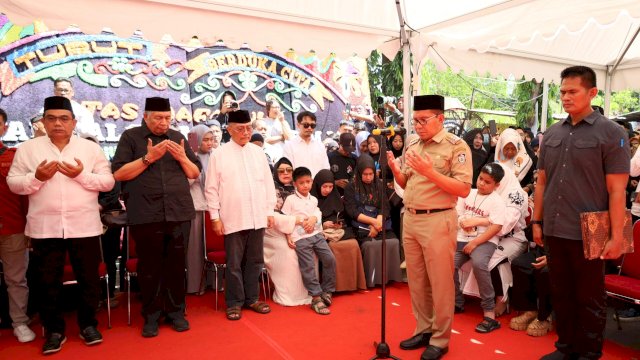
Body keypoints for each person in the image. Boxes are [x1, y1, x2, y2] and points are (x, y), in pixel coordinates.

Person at [533, 66, 630, 360]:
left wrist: (616, 236)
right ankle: (565, 347)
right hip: (554, 226)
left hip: (591, 230)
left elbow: (617, 190)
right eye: (562, 92)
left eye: (572, 91)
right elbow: (541, 182)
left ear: (591, 93)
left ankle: (588, 353)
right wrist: (537, 221)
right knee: (561, 292)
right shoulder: (551, 133)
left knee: (590, 297)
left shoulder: (611, 133)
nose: (565, 97)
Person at [8, 96, 115, 354]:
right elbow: (13, 183)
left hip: (84, 226)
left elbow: (108, 182)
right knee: (47, 282)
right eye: (52, 118)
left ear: (73, 122)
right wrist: (36, 178)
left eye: (64, 119)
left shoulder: (90, 149)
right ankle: (54, 331)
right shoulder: (28, 149)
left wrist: (81, 176)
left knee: (89, 279)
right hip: (45, 227)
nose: (58, 123)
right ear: (44, 121)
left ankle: (88, 325)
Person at [387, 95, 472, 360]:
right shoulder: (413, 143)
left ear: (440, 119)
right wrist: (394, 169)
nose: (419, 126)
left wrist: (430, 171)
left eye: (424, 120)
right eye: (415, 121)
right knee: (417, 280)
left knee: (440, 282)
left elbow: (464, 189)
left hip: (438, 219)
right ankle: (423, 329)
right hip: (410, 218)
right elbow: (406, 180)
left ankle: (440, 338)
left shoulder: (456, 147)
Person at [112, 97, 201, 337]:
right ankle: (151, 315)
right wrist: (148, 157)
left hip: (178, 211)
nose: (164, 123)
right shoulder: (131, 137)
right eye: (158, 118)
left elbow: (194, 173)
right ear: (146, 117)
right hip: (145, 213)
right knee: (149, 268)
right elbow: (119, 173)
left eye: (167, 118)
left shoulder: (177, 137)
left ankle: (176, 312)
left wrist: (182, 157)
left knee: (175, 266)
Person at [205, 109, 276, 321]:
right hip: (232, 217)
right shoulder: (219, 154)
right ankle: (234, 302)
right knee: (234, 263)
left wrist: (269, 211)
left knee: (255, 260)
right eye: (240, 128)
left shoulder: (258, 153)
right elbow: (211, 189)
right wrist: (215, 217)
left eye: (248, 128)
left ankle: (252, 298)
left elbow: (268, 185)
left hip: (257, 216)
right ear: (229, 130)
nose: (246, 132)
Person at [453, 163, 505, 333]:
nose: (481, 183)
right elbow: (458, 213)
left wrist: (475, 243)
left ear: (497, 185)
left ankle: (489, 313)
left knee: (479, 264)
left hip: (485, 241)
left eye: (487, 182)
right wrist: (463, 223)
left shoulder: (497, 201)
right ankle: (457, 302)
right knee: (447, 263)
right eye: (480, 178)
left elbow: (496, 227)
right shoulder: (468, 193)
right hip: (462, 237)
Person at [280, 167, 336, 315]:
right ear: (295, 184)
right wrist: (288, 236)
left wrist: (314, 220)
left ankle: (327, 291)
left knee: (330, 259)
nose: (305, 185)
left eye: (308, 182)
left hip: (316, 235)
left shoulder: (314, 199)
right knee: (308, 266)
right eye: (302, 183)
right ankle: (316, 297)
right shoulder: (290, 200)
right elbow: (285, 219)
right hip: (300, 238)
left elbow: (317, 217)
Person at [0, 109, 35, 343]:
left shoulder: (13, 156)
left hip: (12, 228)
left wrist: (29, 229)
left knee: (16, 279)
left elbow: (26, 196)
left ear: (4, 127)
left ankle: (20, 322)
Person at [344, 154, 403, 288]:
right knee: (369, 245)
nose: (369, 177)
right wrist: (373, 223)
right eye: (365, 174)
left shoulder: (379, 184)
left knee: (393, 242)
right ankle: (370, 280)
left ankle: (388, 278)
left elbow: (385, 206)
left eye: (371, 174)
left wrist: (378, 223)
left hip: (379, 223)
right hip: (361, 225)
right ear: (359, 172)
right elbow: (352, 211)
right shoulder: (351, 187)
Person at [263, 158, 312, 306]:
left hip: (297, 229)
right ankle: (289, 296)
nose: (285, 173)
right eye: (281, 170)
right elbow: (270, 215)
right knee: (289, 253)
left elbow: (310, 209)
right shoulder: (270, 189)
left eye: (289, 170)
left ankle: (309, 291)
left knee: (310, 248)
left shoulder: (299, 188)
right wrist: (291, 225)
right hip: (274, 231)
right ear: (275, 172)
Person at [311, 169, 366, 292]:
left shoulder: (335, 196)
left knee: (353, 244)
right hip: (320, 232)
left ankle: (351, 285)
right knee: (334, 247)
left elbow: (342, 216)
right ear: (318, 185)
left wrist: (339, 224)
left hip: (337, 231)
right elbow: (308, 220)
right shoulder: (311, 200)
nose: (328, 190)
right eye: (325, 186)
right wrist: (323, 225)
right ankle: (334, 287)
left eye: (331, 186)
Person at [186, 124, 214, 294]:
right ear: (196, 140)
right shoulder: (187, 157)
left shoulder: (216, 157)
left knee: (213, 247)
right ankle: (195, 285)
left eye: (212, 139)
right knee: (195, 250)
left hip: (213, 207)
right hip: (195, 207)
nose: (210, 143)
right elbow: (186, 182)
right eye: (206, 139)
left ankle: (214, 282)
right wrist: (194, 162)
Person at [282, 111, 329, 178]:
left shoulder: (320, 146)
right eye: (306, 125)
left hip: (317, 186)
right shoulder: (290, 146)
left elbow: (325, 168)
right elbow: (287, 169)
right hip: (298, 186)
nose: (309, 128)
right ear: (298, 125)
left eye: (312, 125)